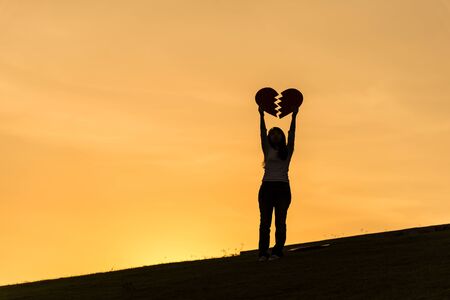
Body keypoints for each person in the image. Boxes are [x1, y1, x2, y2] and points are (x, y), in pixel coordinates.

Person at [257, 105, 298, 261]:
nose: (275, 136)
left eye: (277, 134)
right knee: (265, 222)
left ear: (282, 137)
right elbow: (261, 133)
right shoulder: (267, 149)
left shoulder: (288, 151)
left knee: (280, 221)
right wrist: (261, 116)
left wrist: (294, 117)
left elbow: (292, 134)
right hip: (266, 187)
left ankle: (277, 251)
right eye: (272, 134)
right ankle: (263, 253)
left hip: (282, 188)